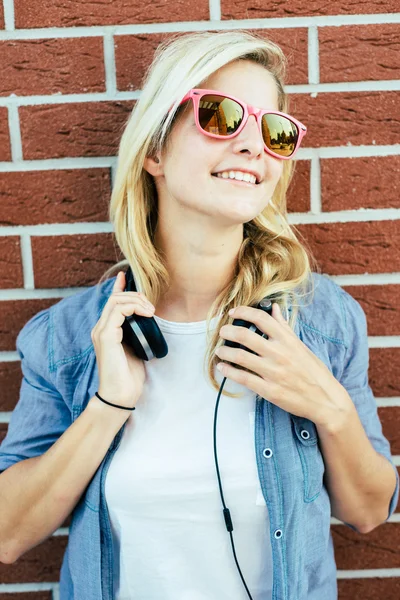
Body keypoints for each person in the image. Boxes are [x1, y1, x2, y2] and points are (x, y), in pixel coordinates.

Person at [0, 29, 398, 600]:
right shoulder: (66, 339)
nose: (252, 146)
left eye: (273, 130)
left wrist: (328, 406)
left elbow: (368, 513)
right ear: (154, 151)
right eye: (219, 115)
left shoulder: (324, 321)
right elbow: (8, 537)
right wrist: (108, 404)